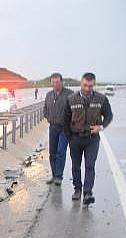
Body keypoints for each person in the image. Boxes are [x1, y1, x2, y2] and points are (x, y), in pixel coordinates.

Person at [63, 72, 113, 204]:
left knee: (90, 165)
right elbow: (65, 120)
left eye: (90, 86)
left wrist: (100, 127)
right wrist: (70, 138)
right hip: (75, 138)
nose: (87, 88)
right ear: (81, 83)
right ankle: (77, 190)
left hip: (92, 139)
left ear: (93, 85)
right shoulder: (71, 99)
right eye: (85, 85)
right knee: (76, 166)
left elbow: (109, 116)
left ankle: (87, 192)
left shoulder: (101, 99)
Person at [43, 73, 73, 185]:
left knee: (61, 151)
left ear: (61, 82)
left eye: (57, 82)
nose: (55, 84)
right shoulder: (49, 95)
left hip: (65, 128)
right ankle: (54, 174)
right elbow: (45, 109)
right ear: (51, 82)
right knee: (52, 152)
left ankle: (59, 177)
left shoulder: (69, 94)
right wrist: (48, 117)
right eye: (53, 82)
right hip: (53, 127)